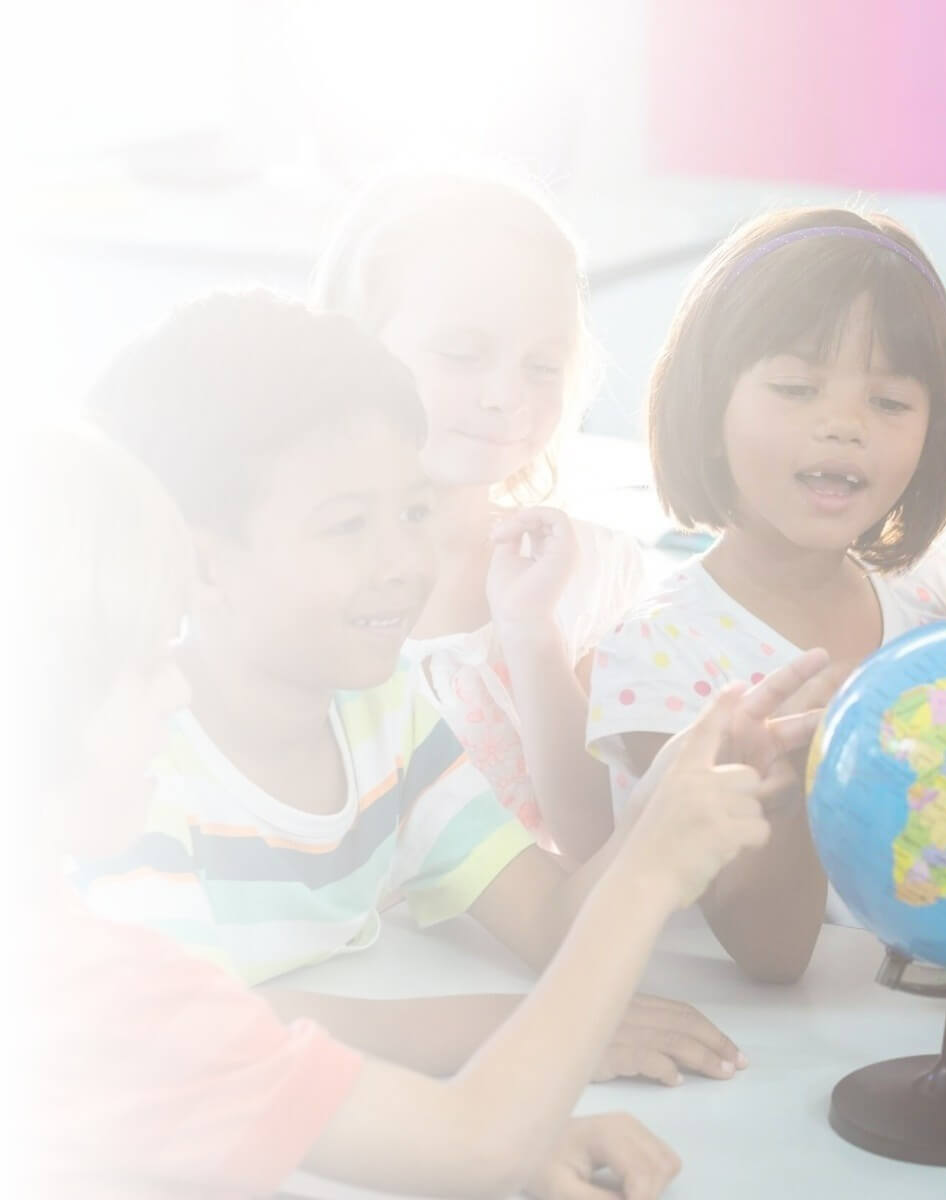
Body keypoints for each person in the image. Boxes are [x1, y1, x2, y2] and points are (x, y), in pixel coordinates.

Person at [26, 424, 823, 1198]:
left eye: (414, 512)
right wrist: (648, 871)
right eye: (138, 667)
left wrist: (462, 1144)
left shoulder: (62, 953)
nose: (172, 687)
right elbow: (470, 1142)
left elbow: (214, 1109)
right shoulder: (89, 990)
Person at [78, 291, 747, 1088]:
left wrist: (660, 816)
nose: (402, 563)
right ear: (205, 563)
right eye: (348, 526)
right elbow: (187, 1028)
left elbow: (553, 922)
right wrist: (514, 1034)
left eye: (414, 511)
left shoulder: (386, 718)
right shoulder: (131, 761)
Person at [587, 207, 946, 982]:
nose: (843, 426)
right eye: (796, 387)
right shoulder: (658, 654)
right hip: (760, 1056)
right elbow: (769, 951)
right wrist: (811, 766)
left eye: (890, 403)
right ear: (707, 414)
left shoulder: (931, 603)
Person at [314, 167, 645, 858]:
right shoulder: (294, 567)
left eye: (543, 366)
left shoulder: (585, 575)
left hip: (526, 955)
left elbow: (597, 843)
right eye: (463, 354)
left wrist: (531, 636)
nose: (505, 395)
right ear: (354, 343)